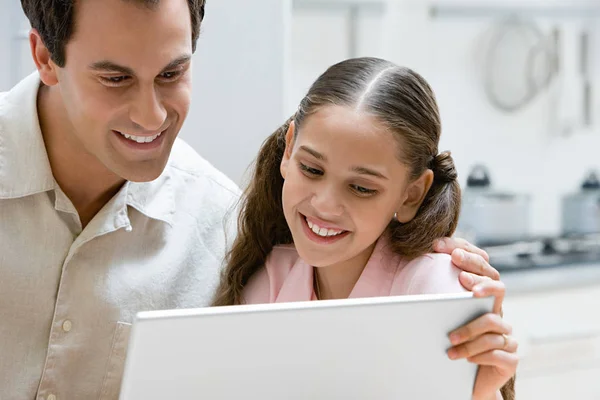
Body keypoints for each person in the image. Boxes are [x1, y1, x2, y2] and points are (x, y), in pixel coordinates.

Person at [0, 0, 504, 398]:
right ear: (45, 56)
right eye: (115, 78)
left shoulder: (220, 228)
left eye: (172, 74)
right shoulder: (267, 268)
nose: (152, 117)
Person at [212, 58, 517, 400]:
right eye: (312, 169)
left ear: (411, 193)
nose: (325, 204)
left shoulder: (437, 292)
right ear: (289, 149)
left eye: (361, 188)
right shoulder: (272, 278)